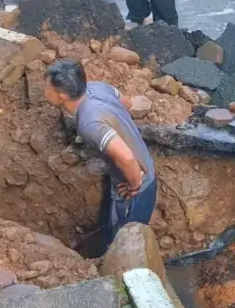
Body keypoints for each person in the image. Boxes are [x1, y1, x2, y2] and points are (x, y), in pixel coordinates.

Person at [43, 59, 156, 252]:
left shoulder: (90, 123)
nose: (44, 90)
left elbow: (127, 158)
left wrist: (135, 185)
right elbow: (127, 103)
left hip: (137, 189)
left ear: (62, 96)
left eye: (47, 87)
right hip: (141, 169)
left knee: (123, 241)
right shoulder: (98, 87)